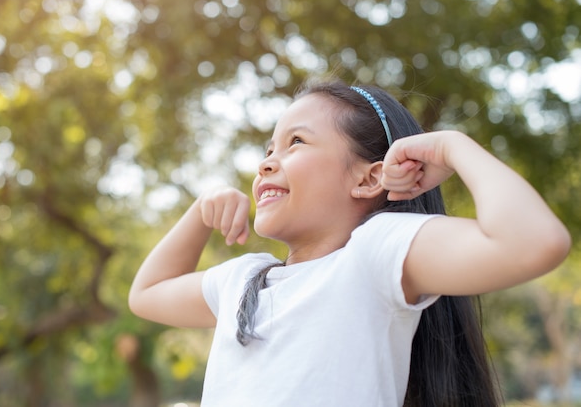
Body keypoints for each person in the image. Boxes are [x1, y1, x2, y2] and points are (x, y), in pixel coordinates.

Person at [128, 79, 571, 406]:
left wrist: (451, 147)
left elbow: (535, 242)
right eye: (267, 150)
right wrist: (199, 211)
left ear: (368, 177)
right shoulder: (242, 281)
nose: (266, 164)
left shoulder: (372, 257)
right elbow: (146, 295)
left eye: (295, 142)